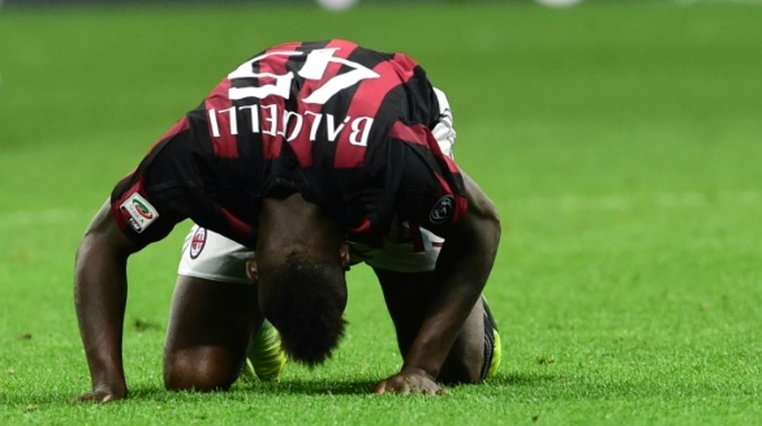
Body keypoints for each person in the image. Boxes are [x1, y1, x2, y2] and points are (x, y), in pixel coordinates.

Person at [74, 39, 501, 402]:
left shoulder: (395, 162)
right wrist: (106, 383)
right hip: (251, 158)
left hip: (377, 144)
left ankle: (479, 324)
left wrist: (421, 367)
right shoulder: (201, 156)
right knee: (193, 376)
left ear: (346, 252)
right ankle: (250, 319)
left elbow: (481, 227)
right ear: (252, 269)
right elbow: (102, 242)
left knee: (455, 366)